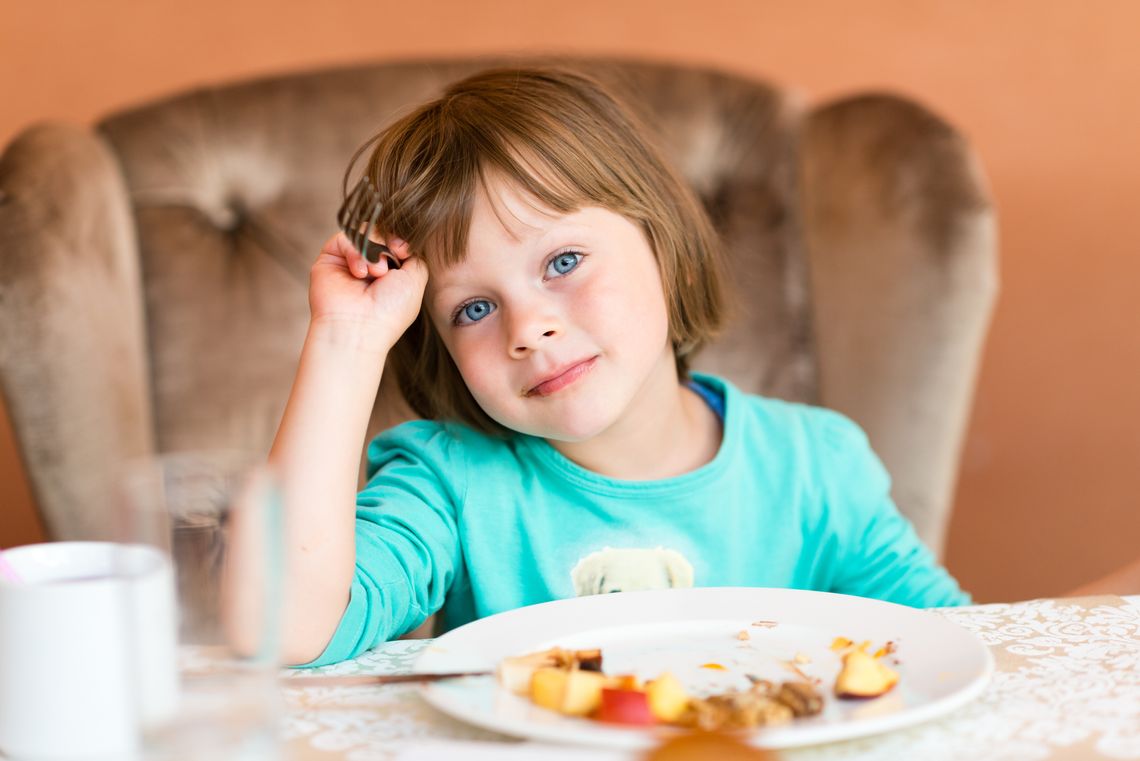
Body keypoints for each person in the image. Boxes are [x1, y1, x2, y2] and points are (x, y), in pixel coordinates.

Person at [267, 67, 970, 667]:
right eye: (474, 308)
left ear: (663, 245)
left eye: (562, 262)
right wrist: (346, 340)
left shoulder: (815, 467)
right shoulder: (448, 484)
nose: (528, 327)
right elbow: (288, 625)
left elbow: (960, 644)